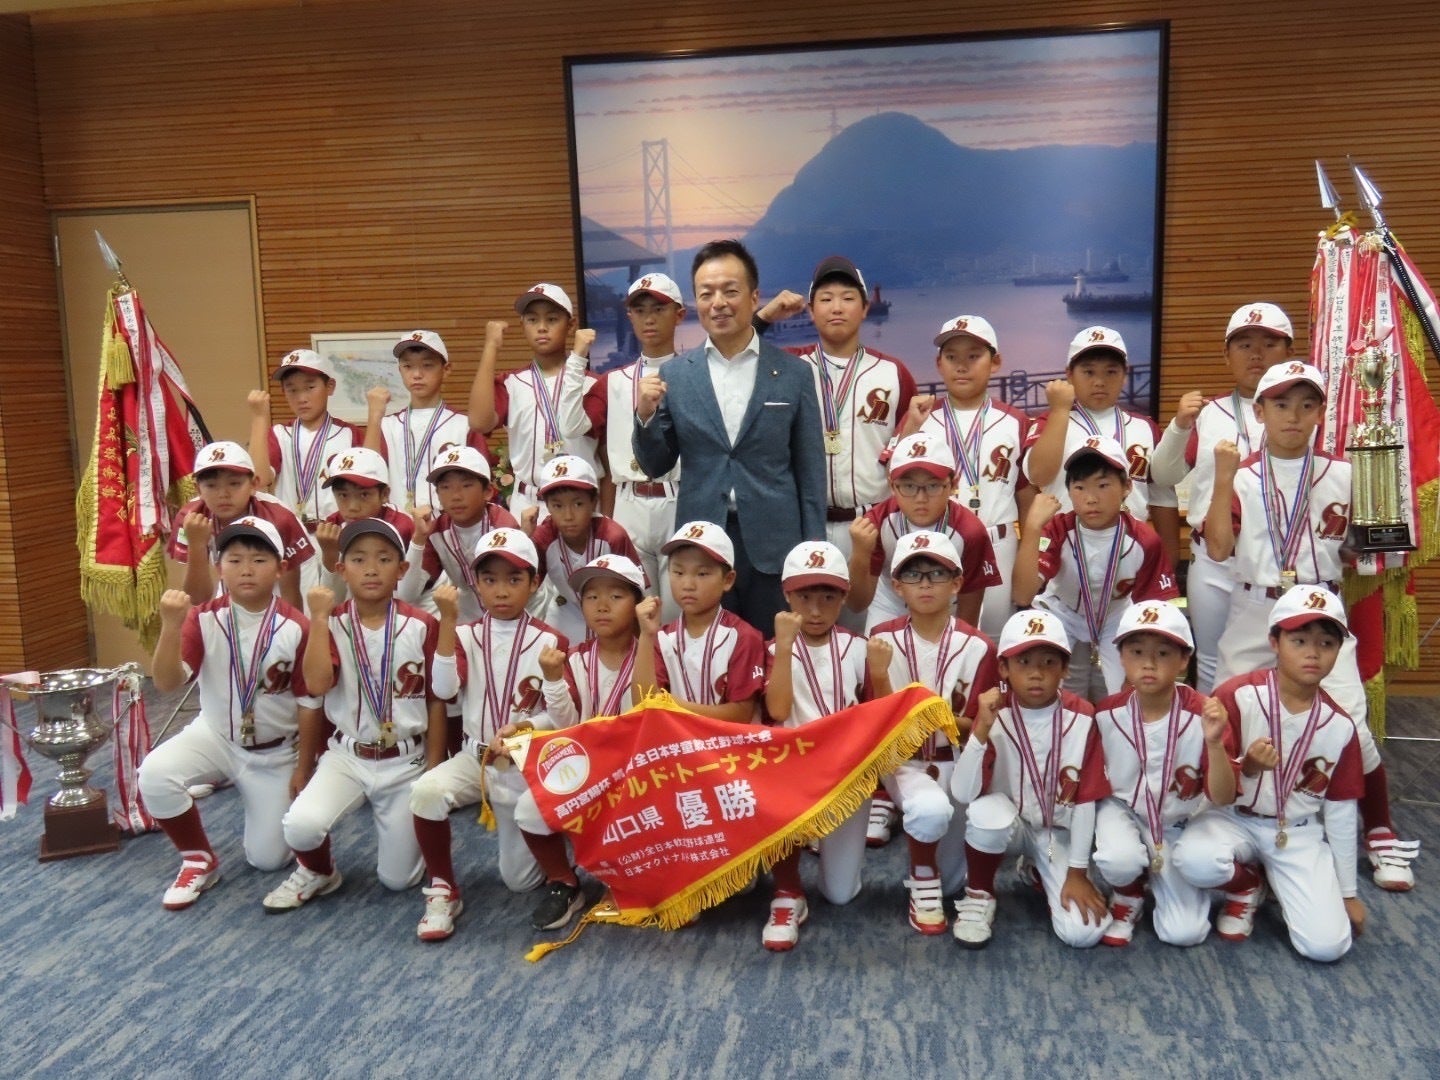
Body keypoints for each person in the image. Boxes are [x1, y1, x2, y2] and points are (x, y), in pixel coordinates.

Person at [1207, 360, 1419, 892]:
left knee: (1352, 725)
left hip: (1319, 609)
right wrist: (1223, 479)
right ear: (1259, 412)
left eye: (1306, 405)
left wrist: (1378, 541)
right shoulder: (1241, 474)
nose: (1293, 416)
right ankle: (1223, 827)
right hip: (1256, 606)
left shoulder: (1345, 473)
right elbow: (1217, 548)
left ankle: (1380, 830)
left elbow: (1356, 547)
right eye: (1280, 404)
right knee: (1224, 719)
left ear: (1322, 413)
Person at [633, 239, 827, 637]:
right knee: (708, 656)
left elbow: (810, 472)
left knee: (775, 652)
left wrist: (813, 552)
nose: (718, 303)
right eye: (706, 294)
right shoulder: (677, 375)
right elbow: (656, 464)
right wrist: (645, 415)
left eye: (730, 291)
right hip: (703, 544)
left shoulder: (794, 374)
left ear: (754, 297)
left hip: (775, 544)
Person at [1172, 587, 1367, 962]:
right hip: (1232, 817)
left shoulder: (1340, 726)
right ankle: (1249, 883)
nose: (1313, 653)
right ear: (1275, 642)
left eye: (1326, 643)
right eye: (1299, 640)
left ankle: (1279, 878)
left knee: (1327, 947)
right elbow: (1215, 790)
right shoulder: (1238, 695)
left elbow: (1341, 809)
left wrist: (1347, 893)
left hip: (1295, 830)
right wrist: (1247, 767)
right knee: (1194, 860)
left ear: (1338, 650)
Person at [263, 519, 445, 911]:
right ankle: (319, 871)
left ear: (402, 569)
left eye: (384, 559)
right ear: (342, 569)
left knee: (398, 880)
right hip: (347, 756)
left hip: (406, 760)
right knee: (300, 825)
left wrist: (433, 768)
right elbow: (316, 685)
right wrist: (318, 619)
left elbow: (436, 701)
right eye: (359, 559)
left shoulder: (421, 624)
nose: (371, 569)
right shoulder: (331, 622)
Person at [142, 518, 315, 909]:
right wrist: (170, 627)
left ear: (280, 568)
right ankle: (197, 858)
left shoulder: (295, 626)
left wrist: (304, 768)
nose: (246, 569)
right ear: (219, 568)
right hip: (216, 735)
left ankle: (263, 800)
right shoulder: (203, 617)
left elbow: (310, 703)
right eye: (234, 560)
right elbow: (167, 683)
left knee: (267, 860)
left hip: (274, 752)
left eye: (259, 560)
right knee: (154, 774)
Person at [411, 528, 568, 941]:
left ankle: (557, 852)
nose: (501, 590)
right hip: (474, 757)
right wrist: (448, 621)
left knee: (520, 882)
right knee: (426, 791)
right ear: (475, 584)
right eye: (489, 579)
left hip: (523, 763)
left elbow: (560, 716)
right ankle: (443, 888)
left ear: (534, 583)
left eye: (514, 579)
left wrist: (527, 728)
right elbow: (444, 690)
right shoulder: (464, 635)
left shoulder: (551, 640)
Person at [1149, 303, 1294, 692]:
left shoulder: (1303, 415)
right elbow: (1163, 476)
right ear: (1226, 355)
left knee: (1281, 661)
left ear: (1289, 352)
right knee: (1211, 660)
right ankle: (1213, 732)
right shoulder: (1208, 414)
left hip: (1276, 558)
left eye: (1269, 344)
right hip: (1214, 562)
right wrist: (1179, 425)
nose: (1256, 354)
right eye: (1244, 345)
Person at [949, 609, 1111, 949]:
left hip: (1058, 832)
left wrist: (1078, 872)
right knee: (984, 814)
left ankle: (1038, 869)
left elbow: (1086, 800)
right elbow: (963, 793)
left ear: (1065, 668)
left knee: (1083, 933)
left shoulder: (1083, 715)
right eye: (1023, 662)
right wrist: (981, 729)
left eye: (1049, 662)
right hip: (1010, 824)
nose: (1036, 673)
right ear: (1003, 668)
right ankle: (979, 893)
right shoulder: (995, 713)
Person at [760, 540, 889, 951]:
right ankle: (787, 892)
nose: (815, 610)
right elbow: (778, 710)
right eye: (804, 597)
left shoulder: (858, 647)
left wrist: (880, 674)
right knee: (771, 788)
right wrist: (784, 648)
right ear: (787, 595)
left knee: (840, 894)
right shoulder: (772, 648)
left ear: (844, 597)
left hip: (846, 774)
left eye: (828, 597)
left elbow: (881, 718)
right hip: (792, 770)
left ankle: (825, 847)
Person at [868, 531, 999, 934]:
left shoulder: (978, 645)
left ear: (957, 583)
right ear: (897, 586)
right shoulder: (882, 638)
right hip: (903, 760)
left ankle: (951, 876)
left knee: (956, 881)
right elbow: (878, 723)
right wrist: (880, 677)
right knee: (929, 811)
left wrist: (928, 714)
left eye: (937, 574)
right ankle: (921, 876)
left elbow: (977, 726)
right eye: (914, 575)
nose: (925, 584)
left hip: (955, 758)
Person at [515, 554, 648, 931]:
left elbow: (650, 715)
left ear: (638, 604)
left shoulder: (651, 655)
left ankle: (628, 877)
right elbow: (567, 724)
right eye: (591, 597)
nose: (602, 605)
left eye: (616, 596)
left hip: (638, 771)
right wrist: (553, 679)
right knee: (528, 810)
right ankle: (564, 881)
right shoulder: (575, 658)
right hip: (587, 767)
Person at [1092, 601, 1237, 946]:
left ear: (1184, 660)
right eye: (1137, 651)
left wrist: (1214, 743)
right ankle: (1128, 893)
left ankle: (1246, 882)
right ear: (1120, 656)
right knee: (1117, 858)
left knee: (1184, 934)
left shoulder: (1206, 714)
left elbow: (1223, 796)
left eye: (1163, 653)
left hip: (1180, 821)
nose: (1149, 663)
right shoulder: (1105, 713)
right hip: (1125, 810)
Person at [759, 256, 916, 563]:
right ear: (811, 310)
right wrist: (766, 315)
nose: (837, 307)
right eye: (826, 299)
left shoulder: (893, 373)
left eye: (848, 298)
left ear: (865, 308)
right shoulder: (790, 367)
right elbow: (734, 354)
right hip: (806, 526)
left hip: (875, 523)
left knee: (879, 597)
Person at [1013, 436, 1178, 701]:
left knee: (1127, 697)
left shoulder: (1144, 539)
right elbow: (1022, 594)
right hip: (1061, 612)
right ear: (1068, 491)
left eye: (1103, 485)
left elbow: (1154, 608)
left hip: (1116, 616)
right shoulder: (1057, 529)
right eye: (1079, 487)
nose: (1091, 498)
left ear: (1127, 487)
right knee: (1049, 694)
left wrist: (1137, 665)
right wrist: (1032, 527)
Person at [900, 315, 1032, 639]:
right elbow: (897, 486)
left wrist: (1028, 554)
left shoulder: (1015, 421)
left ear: (995, 362)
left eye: (973, 356)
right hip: (937, 541)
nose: (962, 366)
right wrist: (909, 430)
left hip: (998, 541)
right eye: (951, 357)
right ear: (939, 363)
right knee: (935, 638)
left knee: (994, 640)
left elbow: (1026, 497)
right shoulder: (921, 418)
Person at [1022, 326, 1180, 565]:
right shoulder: (1051, 422)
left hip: (1130, 547)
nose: (1099, 382)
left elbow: (1162, 496)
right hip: (1065, 547)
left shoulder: (1145, 427)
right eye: (1088, 372)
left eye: (1111, 371)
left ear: (1125, 375)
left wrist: (1169, 560)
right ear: (1069, 374)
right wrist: (1060, 410)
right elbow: (1038, 475)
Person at [593, 274, 685, 620]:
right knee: (634, 614)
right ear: (629, 316)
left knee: (678, 613)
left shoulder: (695, 374)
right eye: (640, 310)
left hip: (679, 497)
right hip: (629, 499)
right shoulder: (612, 381)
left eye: (659, 309)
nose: (649, 318)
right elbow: (572, 427)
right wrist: (576, 358)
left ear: (679, 314)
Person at [468, 287, 604, 520]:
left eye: (552, 319)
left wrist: (607, 516)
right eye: (532, 320)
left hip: (581, 504)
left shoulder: (594, 384)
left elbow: (606, 459)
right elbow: (479, 422)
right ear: (522, 325)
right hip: (529, 503)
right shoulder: (512, 383)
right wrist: (491, 347)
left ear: (571, 325)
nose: (542, 327)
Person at [847, 433, 1000, 632]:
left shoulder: (970, 532)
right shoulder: (876, 524)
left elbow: (968, 614)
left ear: (953, 485)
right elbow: (856, 604)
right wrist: (860, 554)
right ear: (892, 486)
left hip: (948, 610)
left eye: (933, 485)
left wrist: (958, 644)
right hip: (891, 606)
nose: (921, 498)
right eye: (909, 486)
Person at [246, 348, 360, 592]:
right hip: (291, 537)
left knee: (337, 605)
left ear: (329, 386)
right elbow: (259, 479)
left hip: (336, 534)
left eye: (310, 387)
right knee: (295, 607)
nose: (301, 398)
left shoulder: (349, 434)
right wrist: (259, 419)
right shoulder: (279, 434)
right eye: (292, 389)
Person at [633, 521, 766, 722]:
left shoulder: (744, 636)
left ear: (728, 580)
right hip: (675, 739)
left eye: (702, 574)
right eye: (678, 572)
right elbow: (643, 705)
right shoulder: (660, 638)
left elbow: (740, 714)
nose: (688, 584)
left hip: (727, 741)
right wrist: (646, 635)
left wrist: (669, 705)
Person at [168, 440, 313, 610]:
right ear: (198, 489)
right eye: (211, 485)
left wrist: (290, 626)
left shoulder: (280, 518)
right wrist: (196, 545)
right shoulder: (190, 519)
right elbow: (197, 598)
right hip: (229, 585)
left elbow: (290, 592)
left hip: (279, 587)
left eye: (234, 484)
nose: (223, 494)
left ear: (253, 484)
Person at [522, 454, 644, 643]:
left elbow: (637, 596)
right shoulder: (543, 537)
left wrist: (639, 643)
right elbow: (522, 586)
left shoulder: (613, 536)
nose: (568, 515)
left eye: (578, 504)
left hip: (611, 614)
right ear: (547, 506)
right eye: (557, 505)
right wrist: (524, 540)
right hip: (566, 611)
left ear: (594, 501)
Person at [364, 330, 489, 512]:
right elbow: (366, 473)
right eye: (408, 366)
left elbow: (482, 483)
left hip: (447, 523)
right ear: (400, 370)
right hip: (397, 522)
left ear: (446, 369)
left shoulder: (465, 425)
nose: (417, 374)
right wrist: (374, 416)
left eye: (427, 365)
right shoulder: (387, 425)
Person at [397, 446, 520, 624]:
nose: (455, 496)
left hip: (516, 615)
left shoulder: (503, 527)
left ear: (487, 492)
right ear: (437, 494)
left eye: (466, 485)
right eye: (445, 487)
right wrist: (418, 539)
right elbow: (406, 595)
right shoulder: (436, 531)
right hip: (468, 620)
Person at [310, 446, 415, 601]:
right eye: (343, 495)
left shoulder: (402, 526)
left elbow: (411, 594)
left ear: (384, 494)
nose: (353, 507)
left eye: (364, 494)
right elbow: (330, 601)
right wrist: (330, 554)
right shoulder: (330, 528)